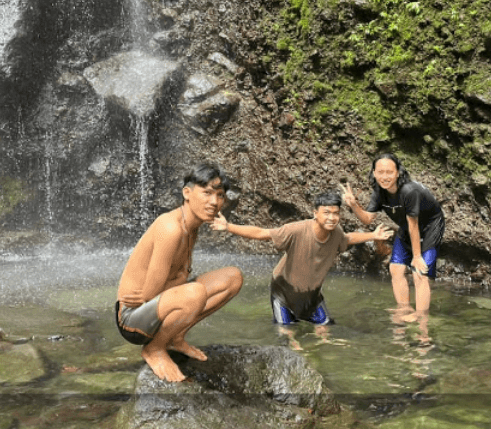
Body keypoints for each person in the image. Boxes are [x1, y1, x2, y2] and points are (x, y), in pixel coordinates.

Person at [115, 163, 243, 382]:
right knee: (195, 293)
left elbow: (175, 279)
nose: (214, 202)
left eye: (220, 195)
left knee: (233, 277)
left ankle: (175, 338)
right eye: (207, 193)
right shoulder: (170, 228)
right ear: (187, 193)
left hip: (157, 302)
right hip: (133, 318)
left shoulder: (191, 226)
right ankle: (154, 349)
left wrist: (178, 284)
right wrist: (175, 287)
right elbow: (149, 294)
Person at [211, 192, 392, 330]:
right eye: (326, 212)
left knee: (327, 332)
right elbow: (262, 233)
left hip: (312, 296)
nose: (331, 217)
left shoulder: (336, 233)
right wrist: (228, 227)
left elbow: (347, 239)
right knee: (288, 336)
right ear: (315, 213)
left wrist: (373, 235)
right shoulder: (296, 230)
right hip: (284, 294)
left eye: (335, 213)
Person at [342, 153, 445, 322]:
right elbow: (368, 219)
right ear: (374, 173)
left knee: (419, 272)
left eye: (389, 172)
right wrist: (354, 205)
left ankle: (422, 321)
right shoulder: (379, 192)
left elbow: (414, 224)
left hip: (429, 226)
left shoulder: (409, 191)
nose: (384, 177)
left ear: (398, 173)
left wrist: (417, 256)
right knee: (395, 268)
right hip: (407, 224)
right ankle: (404, 308)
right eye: (380, 172)